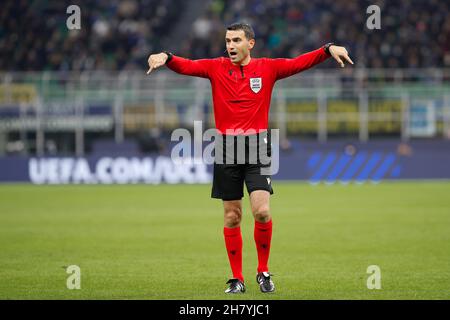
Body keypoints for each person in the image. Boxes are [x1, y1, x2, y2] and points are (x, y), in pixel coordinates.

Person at [147, 22, 353, 294]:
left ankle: (263, 272)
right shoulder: (215, 67)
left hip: (257, 146)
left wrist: (327, 49)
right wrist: (167, 57)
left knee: (262, 211)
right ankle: (236, 278)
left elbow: (298, 63)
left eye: (235, 40)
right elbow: (188, 65)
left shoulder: (268, 68)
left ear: (250, 43)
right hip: (226, 147)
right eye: (227, 41)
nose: (230, 45)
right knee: (232, 216)